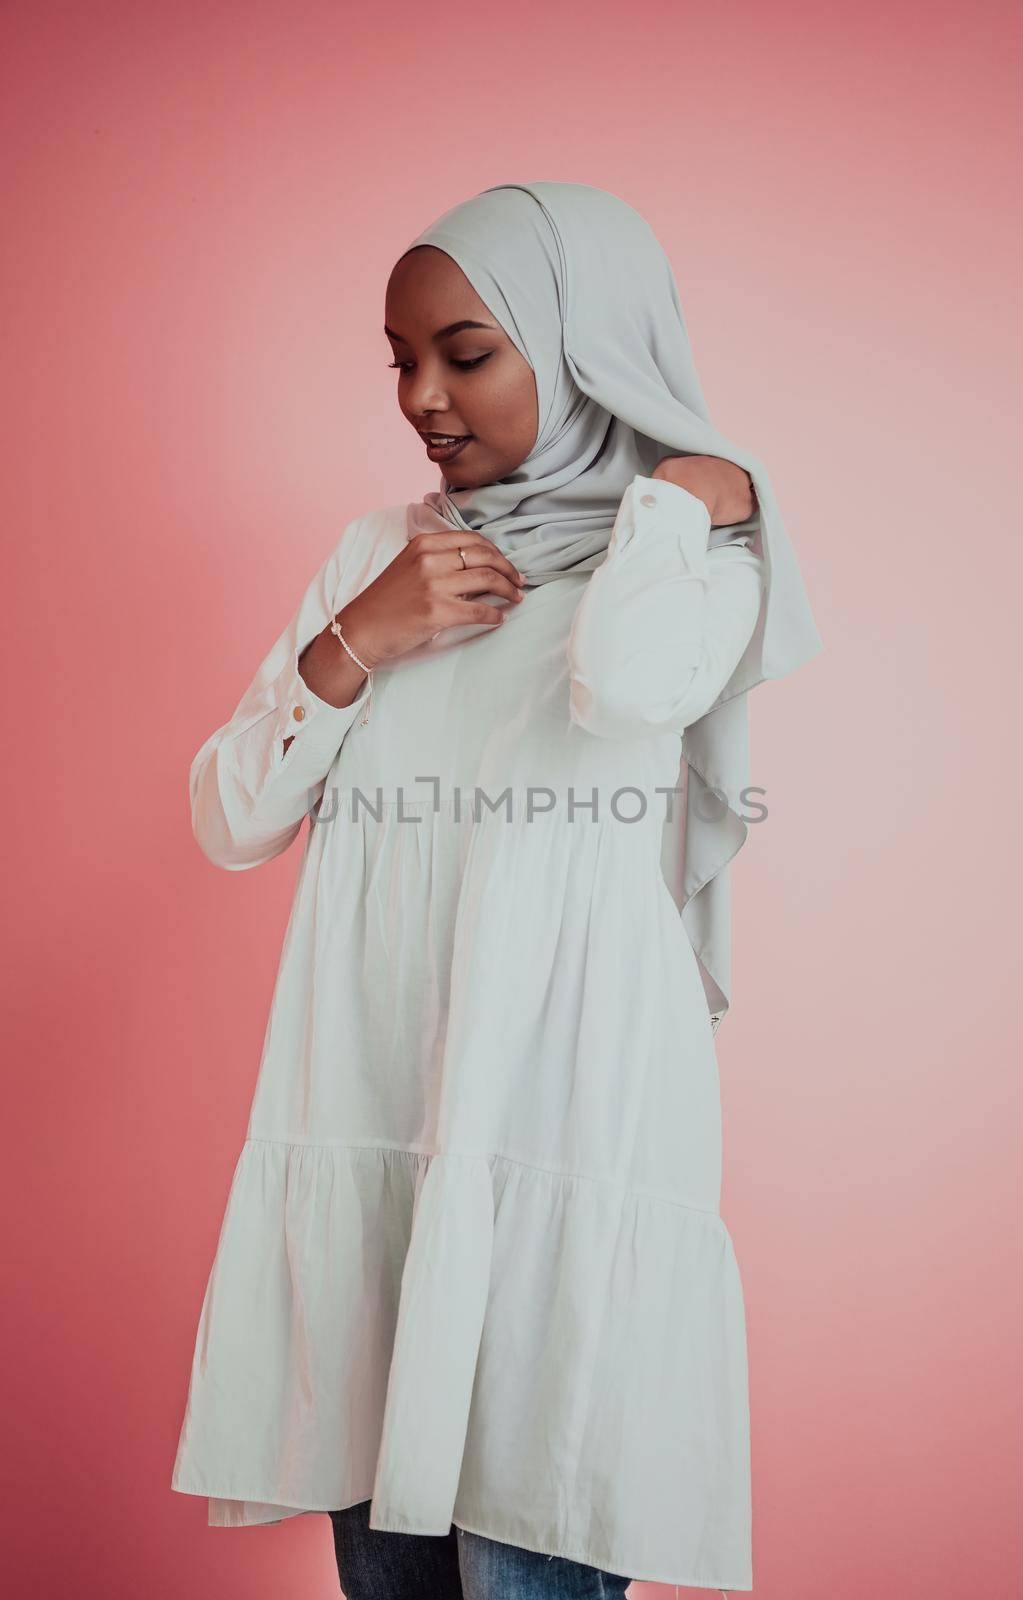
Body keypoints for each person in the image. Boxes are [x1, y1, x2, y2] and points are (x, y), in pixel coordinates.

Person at [170, 181, 822, 1599]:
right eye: (401, 359)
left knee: (539, 1550)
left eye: (466, 352)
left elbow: (628, 683)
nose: (422, 395)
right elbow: (230, 818)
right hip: (377, 1118)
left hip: (561, 1131)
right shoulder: (375, 557)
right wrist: (358, 636)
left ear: (588, 350)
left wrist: (677, 500)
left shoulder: (692, 567)